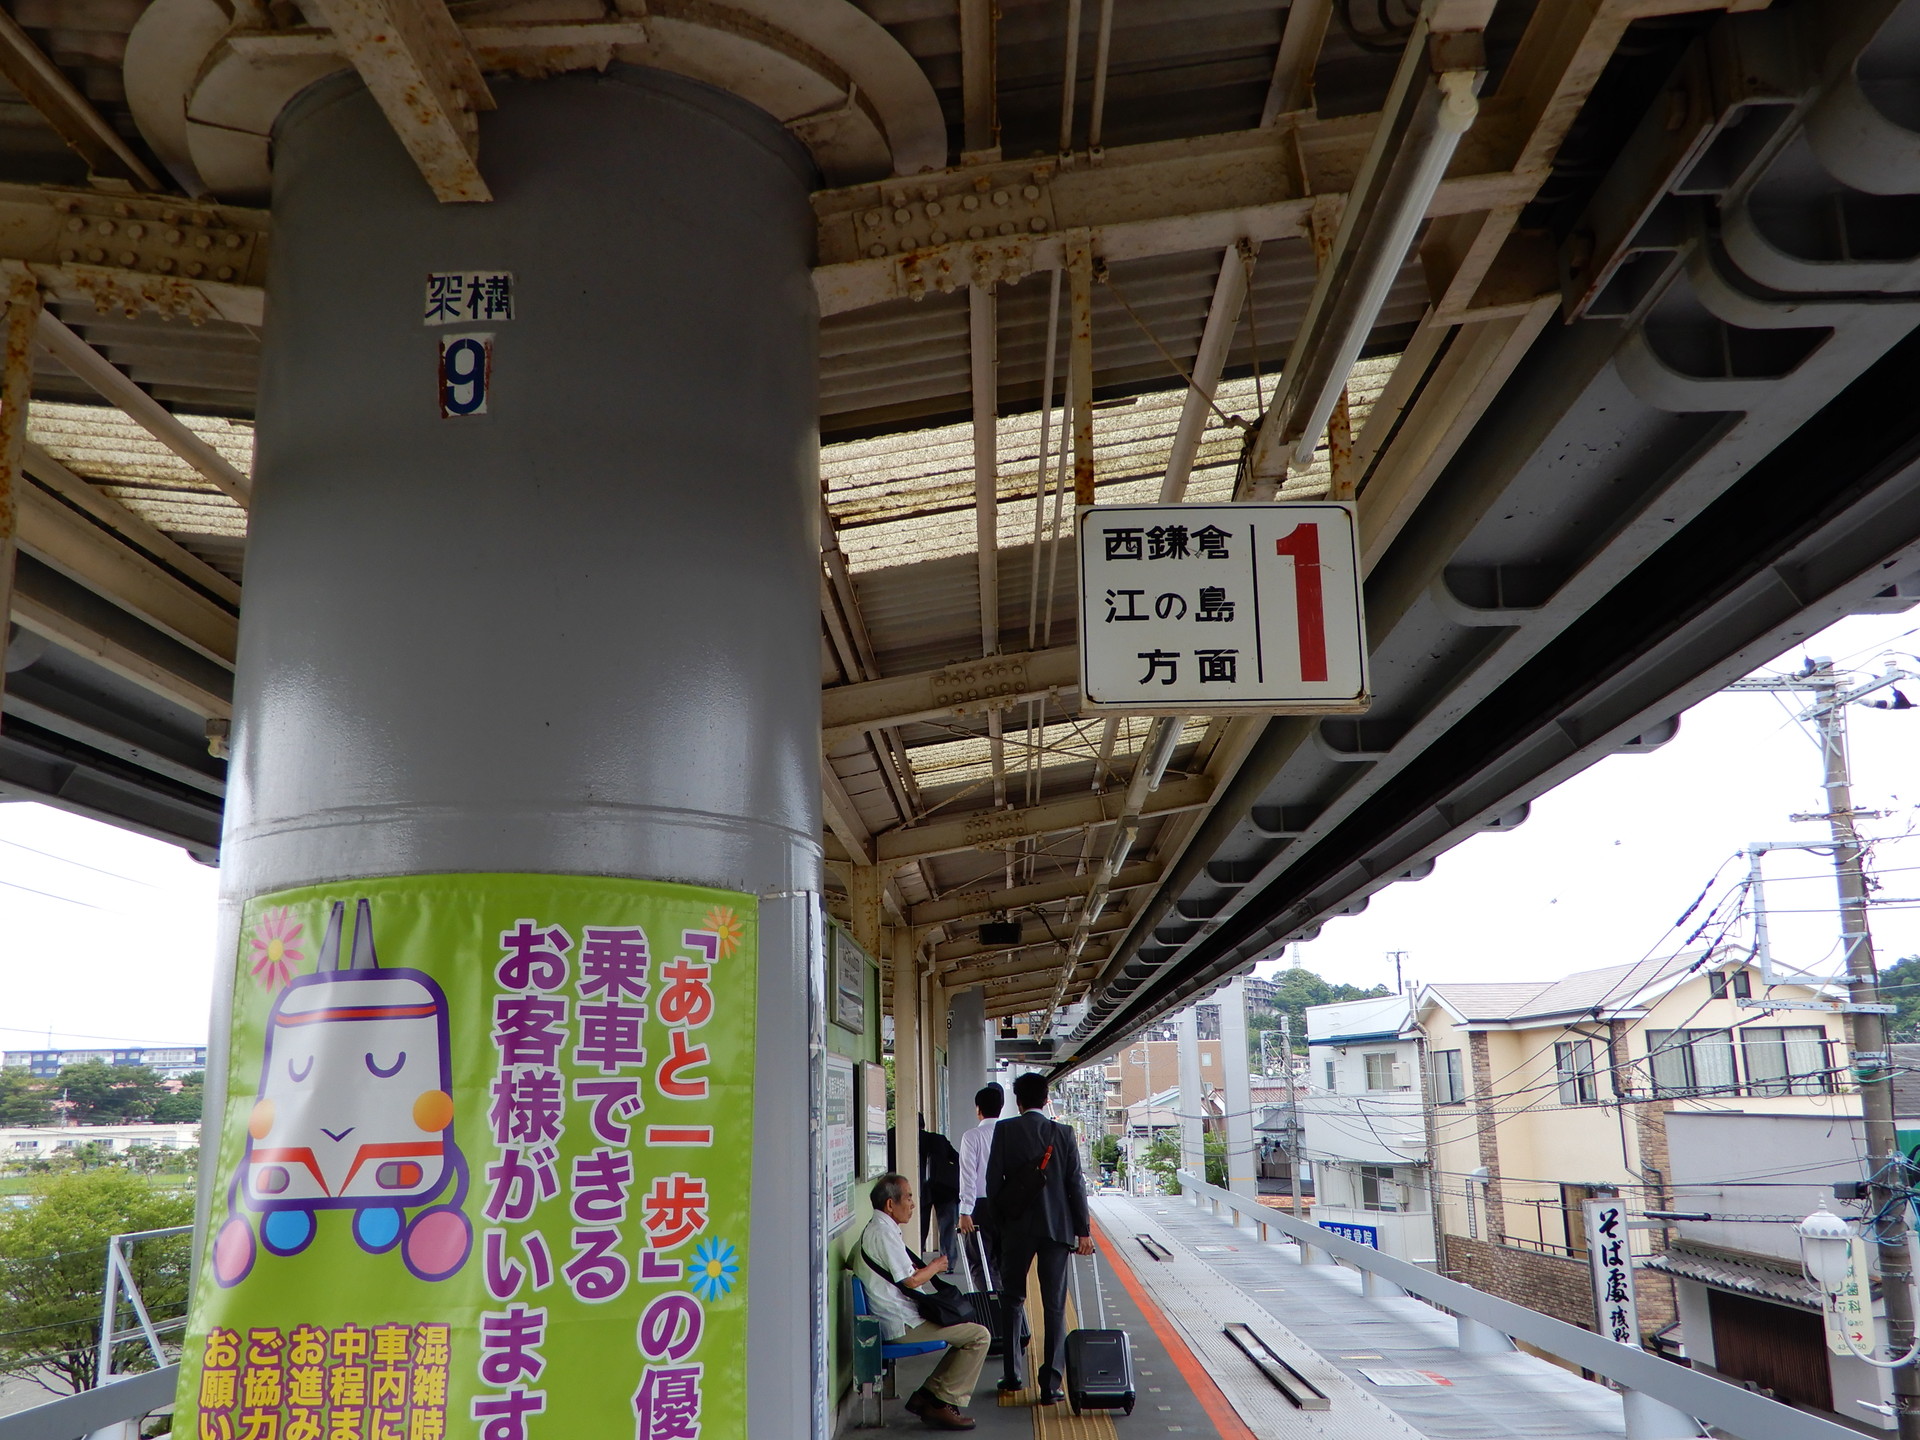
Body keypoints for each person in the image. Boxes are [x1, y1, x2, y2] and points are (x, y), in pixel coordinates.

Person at [983, 1071, 1092, 1405]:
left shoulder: (1004, 1130)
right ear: (1047, 1100)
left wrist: (1002, 1225)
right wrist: (1082, 1230)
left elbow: (992, 1183)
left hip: (1016, 1230)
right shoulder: (1063, 1133)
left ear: (1018, 1101)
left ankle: (1014, 1375)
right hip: (1057, 1230)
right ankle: (1051, 1385)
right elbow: (1075, 1184)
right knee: (1055, 1306)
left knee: (1012, 1299)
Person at [858, 1173, 991, 1431]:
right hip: (901, 1324)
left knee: (965, 1332)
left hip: (898, 1316)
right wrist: (936, 1266)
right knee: (978, 1336)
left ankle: (928, 1395)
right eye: (907, 1197)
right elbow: (910, 1281)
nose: (912, 1203)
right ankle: (941, 1402)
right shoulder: (883, 1234)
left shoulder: (877, 1230)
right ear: (889, 1205)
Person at [919, 1118, 962, 1263]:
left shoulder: (899, 1137)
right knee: (948, 1227)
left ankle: (916, 1259)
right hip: (946, 1189)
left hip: (921, 1190)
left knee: (920, 1228)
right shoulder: (939, 1140)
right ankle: (948, 1261)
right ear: (923, 1125)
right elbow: (957, 1159)